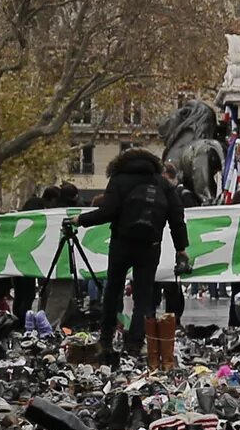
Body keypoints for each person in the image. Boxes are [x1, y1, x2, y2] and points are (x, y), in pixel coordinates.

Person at [71, 146, 192, 361]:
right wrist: (181, 250)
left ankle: (106, 338)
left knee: (113, 290)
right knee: (143, 297)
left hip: (122, 243)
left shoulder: (119, 180)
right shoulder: (163, 184)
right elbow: (177, 220)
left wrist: (80, 220)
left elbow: (107, 211)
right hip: (150, 245)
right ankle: (135, 343)